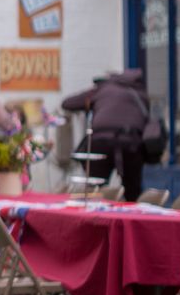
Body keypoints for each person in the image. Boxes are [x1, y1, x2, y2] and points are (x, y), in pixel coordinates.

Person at [62, 69, 149, 202]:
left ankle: (93, 210)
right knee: (132, 191)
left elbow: (68, 103)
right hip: (131, 142)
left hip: (101, 140)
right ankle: (132, 210)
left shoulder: (103, 88)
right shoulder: (140, 93)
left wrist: (92, 104)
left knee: (94, 188)